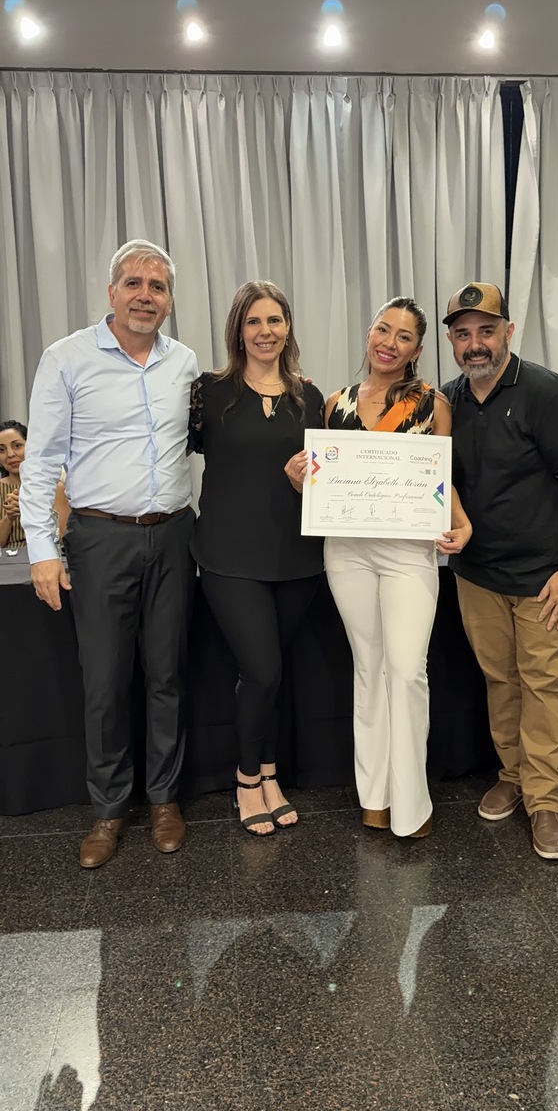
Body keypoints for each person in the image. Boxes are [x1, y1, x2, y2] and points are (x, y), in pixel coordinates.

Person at [20, 240, 198, 868]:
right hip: (98, 538)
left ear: (169, 299)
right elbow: (40, 461)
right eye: (134, 283)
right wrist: (42, 550)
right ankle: (107, 809)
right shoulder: (66, 358)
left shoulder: (184, 363)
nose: (145, 296)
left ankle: (165, 800)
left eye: (157, 286)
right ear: (112, 292)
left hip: (174, 534)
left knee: (168, 674)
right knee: (104, 681)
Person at [441, 281, 558, 860]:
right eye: (463, 334)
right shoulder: (447, 401)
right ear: (452, 342)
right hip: (477, 575)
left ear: (509, 331)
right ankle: (513, 774)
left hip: (545, 579)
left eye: (486, 331)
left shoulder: (547, 393)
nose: (475, 344)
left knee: (546, 685)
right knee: (501, 681)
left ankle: (546, 800)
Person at [324, 297, 472, 839]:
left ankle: (411, 802)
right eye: (383, 330)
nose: (390, 342)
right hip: (347, 551)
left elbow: (440, 475)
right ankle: (374, 796)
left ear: (417, 350)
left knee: (407, 671)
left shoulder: (433, 404)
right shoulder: (334, 403)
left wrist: (461, 522)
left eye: (404, 336)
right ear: (369, 333)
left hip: (409, 551)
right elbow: (325, 480)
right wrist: (301, 477)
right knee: (369, 668)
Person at [188, 281, 325, 836]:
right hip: (228, 556)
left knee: (273, 673)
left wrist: (304, 481)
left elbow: (327, 479)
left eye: (274, 321)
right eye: (253, 321)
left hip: (297, 557)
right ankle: (247, 780)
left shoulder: (310, 398)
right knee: (261, 669)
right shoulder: (209, 392)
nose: (264, 332)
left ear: (287, 328)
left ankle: (269, 773)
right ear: (237, 330)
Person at [0, 420, 70, 550]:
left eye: (17, 446)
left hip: (47, 555)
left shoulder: (54, 487)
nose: (10, 454)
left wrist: (32, 508)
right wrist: (9, 517)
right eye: (1, 450)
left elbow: (63, 539)